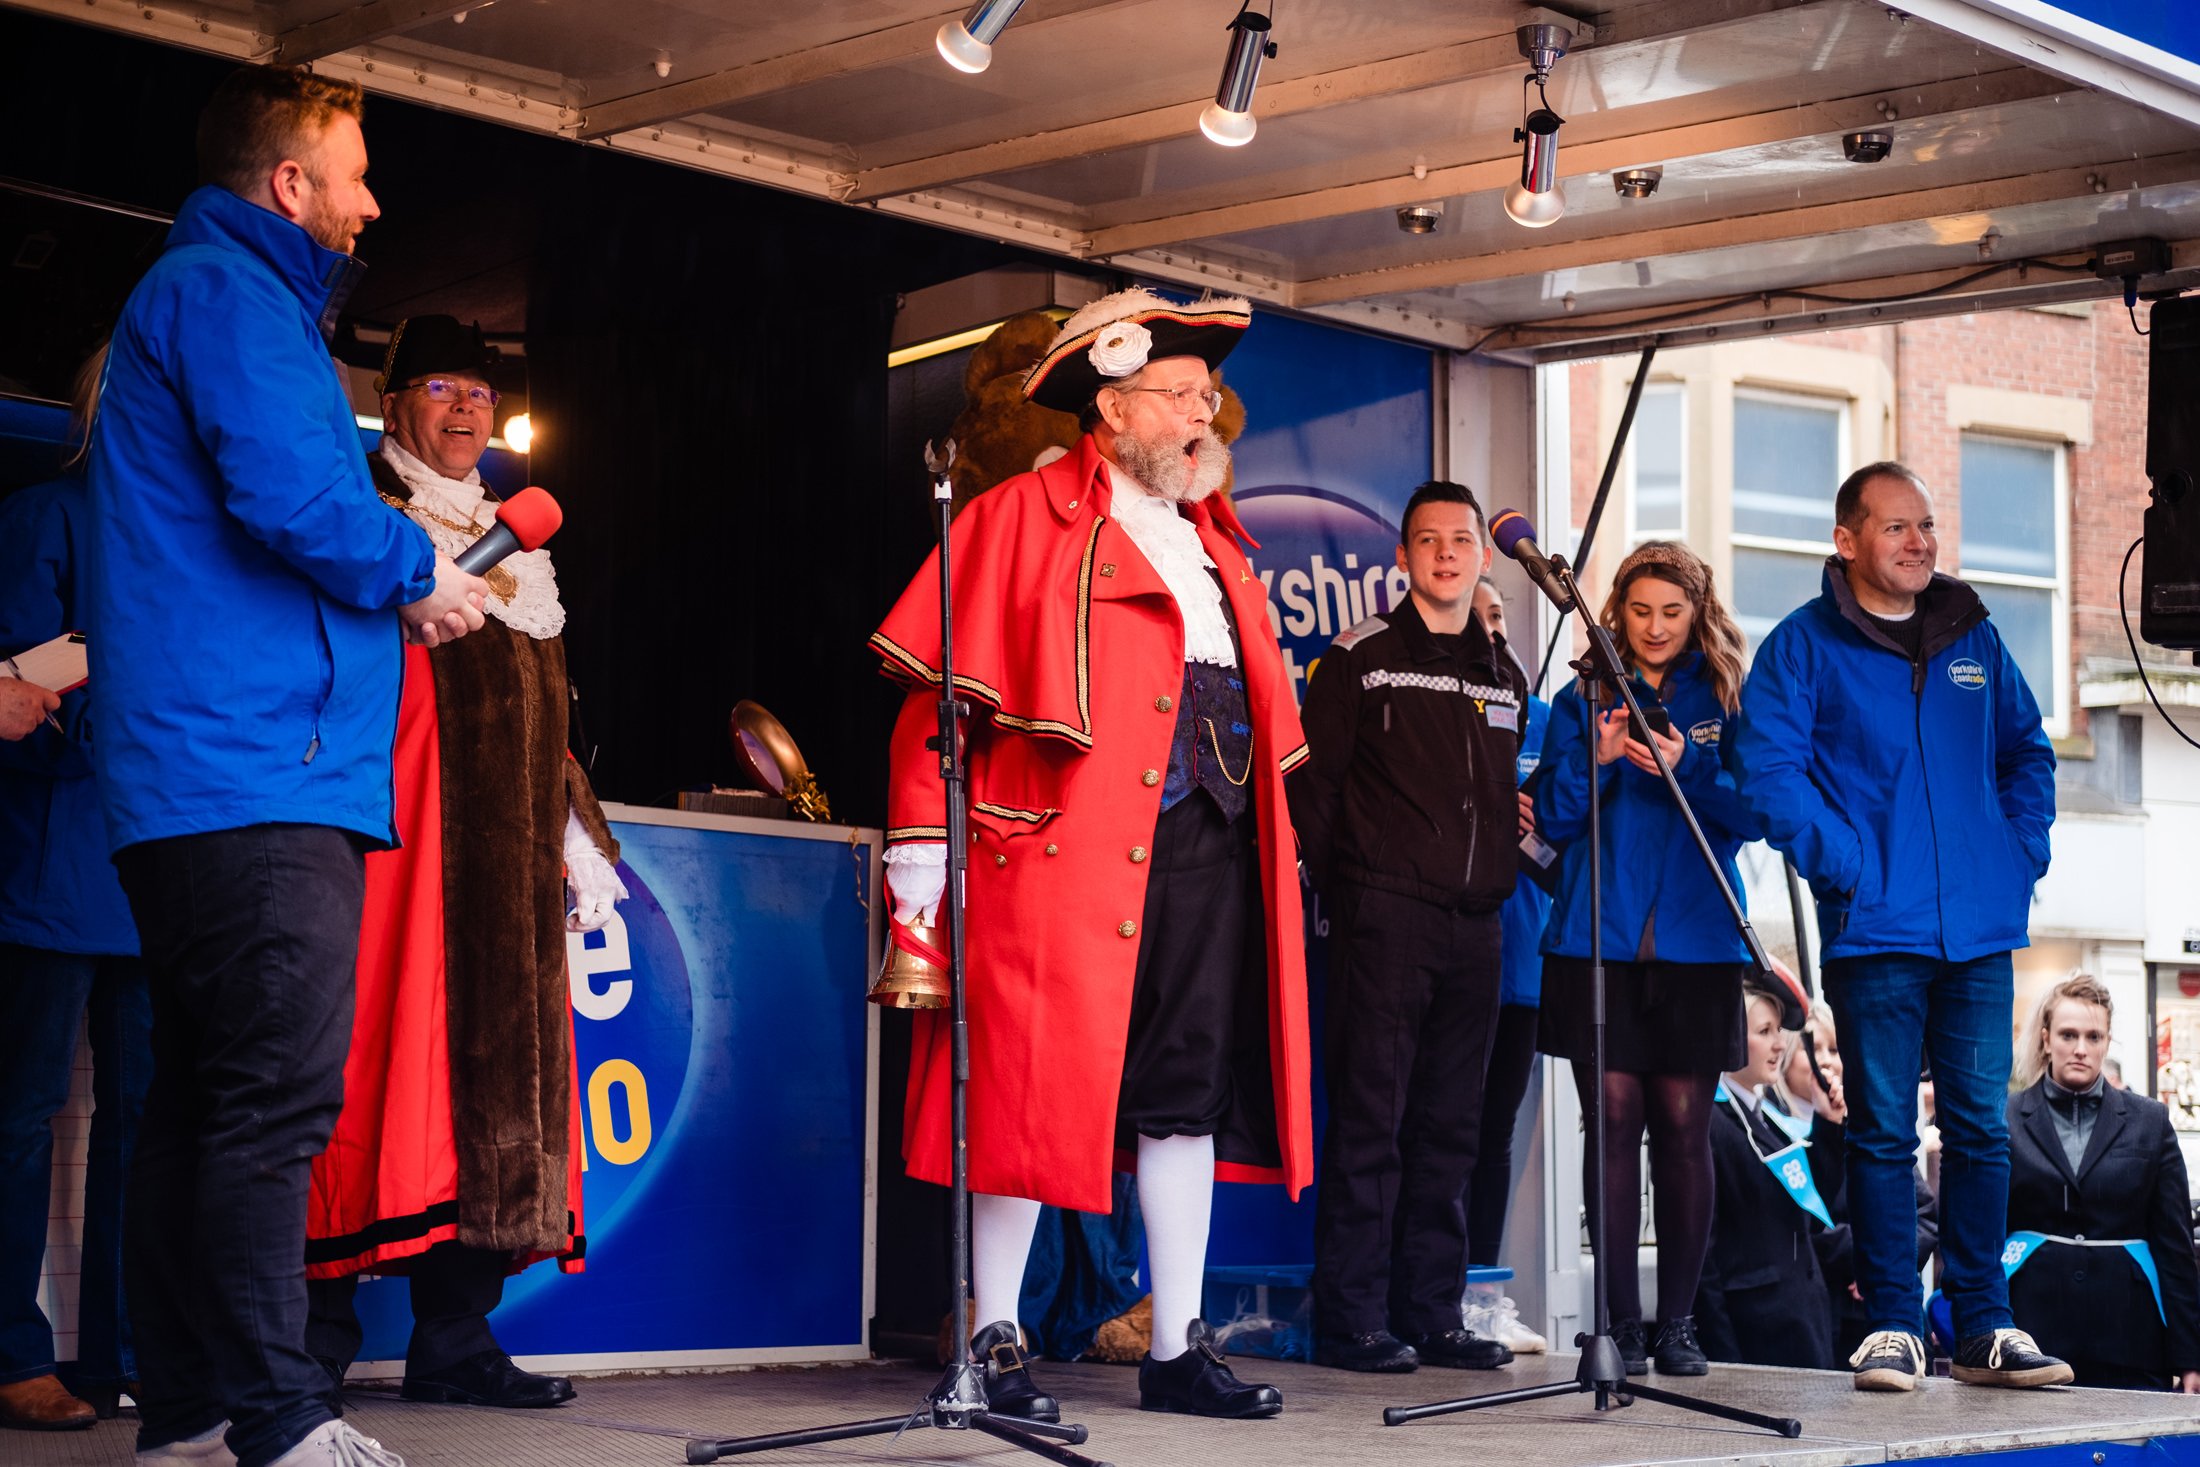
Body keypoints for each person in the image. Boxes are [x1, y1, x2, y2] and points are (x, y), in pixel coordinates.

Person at [87, 64, 489, 1467]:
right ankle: (275, 1410)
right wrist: (416, 569)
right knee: (270, 1096)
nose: (374, 202)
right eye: (357, 174)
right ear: (290, 184)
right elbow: (290, 494)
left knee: (198, 1095)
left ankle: (189, 1403)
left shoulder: (213, 300)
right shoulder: (229, 297)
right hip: (251, 767)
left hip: (209, 771)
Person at [872, 288, 1311, 1420]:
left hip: (1208, 845)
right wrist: (923, 854)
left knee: (1185, 1099)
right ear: (1110, 409)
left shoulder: (1217, 543)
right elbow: (936, 706)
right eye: (1179, 396)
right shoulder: (1019, 516)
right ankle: (997, 1342)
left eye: (1206, 396)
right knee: (1022, 1095)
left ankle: (1175, 1345)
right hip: (1057, 858)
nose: (1200, 416)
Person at [304, 316, 625, 1410]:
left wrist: (573, 823)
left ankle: (453, 1335)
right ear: (393, 404)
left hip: (505, 855)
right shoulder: (366, 515)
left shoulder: (515, 541)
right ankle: (313, 1339)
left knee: (490, 1091)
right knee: (365, 1067)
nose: (465, 411)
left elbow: (543, 706)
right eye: (441, 389)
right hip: (399, 844)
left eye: (481, 397)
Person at [1736, 461, 2066, 1392]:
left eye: (1926, 525)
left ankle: (1982, 1324)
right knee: (1882, 1130)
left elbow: (2026, 753)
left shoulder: (1974, 634)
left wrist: (2017, 854)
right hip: (1876, 928)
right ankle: (1891, 1322)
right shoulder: (1802, 646)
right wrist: (1849, 865)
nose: (1919, 541)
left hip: (1978, 927)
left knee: (1979, 1130)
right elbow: (1768, 771)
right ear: (1848, 541)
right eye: (1897, 527)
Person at [1293, 484, 1526, 1374]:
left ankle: (1429, 1311)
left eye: (1461, 540)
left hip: (1479, 926)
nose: (1445, 554)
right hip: (1382, 915)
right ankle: (1350, 1316)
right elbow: (1314, 793)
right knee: (1371, 1120)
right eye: (1427, 541)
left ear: (1482, 554)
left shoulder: (1504, 670)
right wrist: (1332, 905)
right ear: (1402, 557)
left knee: (1451, 1127)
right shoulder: (1360, 657)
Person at [1535, 540, 1757, 1377]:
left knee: (1684, 1128)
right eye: (1640, 610)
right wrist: (1591, 763)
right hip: (1599, 943)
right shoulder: (1581, 695)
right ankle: (1619, 1325)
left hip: (1697, 947)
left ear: (1697, 613)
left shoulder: (1728, 697)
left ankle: (1679, 1325)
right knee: (1613, 1123)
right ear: (1617, 613)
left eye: (1673, 611)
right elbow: (1550, 820)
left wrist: (1686, 766)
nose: (1657, 627)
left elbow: (1751, 811)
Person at [0, 349, 151, 1434]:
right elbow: (20, 687)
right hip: (49, 858)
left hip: (161, 867)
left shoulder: (196, 533)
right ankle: (11, 1356)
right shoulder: (45, 514)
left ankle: (123, 1357)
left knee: (147, 1120)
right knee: (20, 1113)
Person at [2004, 975, 2200, 1391]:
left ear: (2107, 1041)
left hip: (2130, 1337)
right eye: (2068, 1034)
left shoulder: (2151, 1122)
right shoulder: (2005, 1120)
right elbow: (1982, 1234)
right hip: (2030, 1335)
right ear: (2045, 1038)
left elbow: (2176, 1247)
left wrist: (2189, 1357)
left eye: (2093, 1036)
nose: (2080, 1048)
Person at [1462, 575, 1552, 1356]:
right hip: (1443, 957)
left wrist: (1535, 821)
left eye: (1499, 614)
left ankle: (1480, 1294)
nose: (1491, 627)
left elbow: (1566, 844)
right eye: (1477, 613)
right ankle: (1422, 1287)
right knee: (1435, 1130)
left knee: (1494, 1137)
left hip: (1521, 962)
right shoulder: (1437, 708)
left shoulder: (1546, 719)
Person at [1695, 982, 1846, 1370]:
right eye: (1764, 1032)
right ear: (1728, 1036)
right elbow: (1702, 1259)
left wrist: (1829, 1127)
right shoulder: (1706, 1124)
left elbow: (1814, 1209)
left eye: (1779, 1031)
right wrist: (1723, 1357)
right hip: (1754, 1337)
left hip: (1801, 1322)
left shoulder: (1769, 1121)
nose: (1780, 1044)